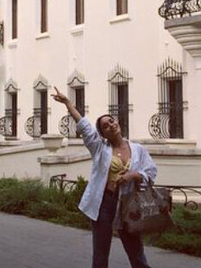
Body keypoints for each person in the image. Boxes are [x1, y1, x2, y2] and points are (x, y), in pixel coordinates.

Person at [52, 87, 156, 268]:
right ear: (103, 134)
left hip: (128, 204)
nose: (110, 125)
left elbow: (151, 172)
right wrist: (68, 103)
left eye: (111, 121)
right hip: (104, 204)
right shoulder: (100, 149)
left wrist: (133, 175)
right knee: (101, 253)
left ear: (118, 123)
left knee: (136, 252)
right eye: (105, 126)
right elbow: (85, 126)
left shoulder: (138, 149)